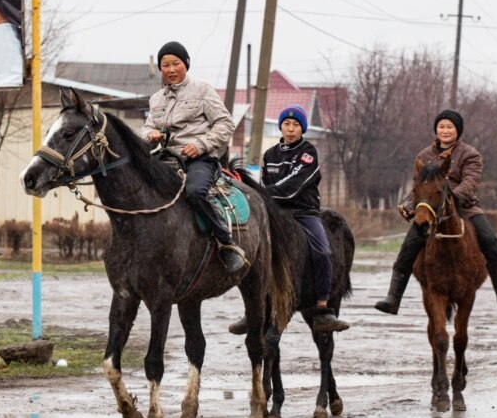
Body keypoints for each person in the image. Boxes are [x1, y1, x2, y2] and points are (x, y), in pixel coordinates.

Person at [374, 109, 497, 314]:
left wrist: (452, 198)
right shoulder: (424, 156)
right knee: (408, 247)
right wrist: (411, 206)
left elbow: (470, 182)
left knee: (490, 239)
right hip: (431, 210)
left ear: (458, 130)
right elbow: (420, 187)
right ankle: (393, 298)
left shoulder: (470, 154)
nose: (445, 130)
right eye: (441, 126)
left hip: (464, 207)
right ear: (436, 130)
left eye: (449, 127)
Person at [141, 41, 246, 273]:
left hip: (200, 160)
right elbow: (145, 128)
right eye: (165, 65)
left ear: (185, 64)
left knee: (195, 191)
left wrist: (200, 145)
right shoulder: (155, 99)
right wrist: (151, 135)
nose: (170, 69)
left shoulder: (203, 90)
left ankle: (226, 243)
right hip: (167, 159)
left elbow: (226, 123)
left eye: (175, 63)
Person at [260, 105, 349, 333]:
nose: (291, 129)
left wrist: (264, 194)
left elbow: (293, 185)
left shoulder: (308, 152)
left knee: (323, 251)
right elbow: (264, 182)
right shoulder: (269, 155)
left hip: (304, 213)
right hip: (276, 215)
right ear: (280, 126)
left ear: (303, 129)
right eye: (287, 124)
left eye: (296, 125)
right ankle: (255, 307)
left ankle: (322, 307)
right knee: (254, 250)